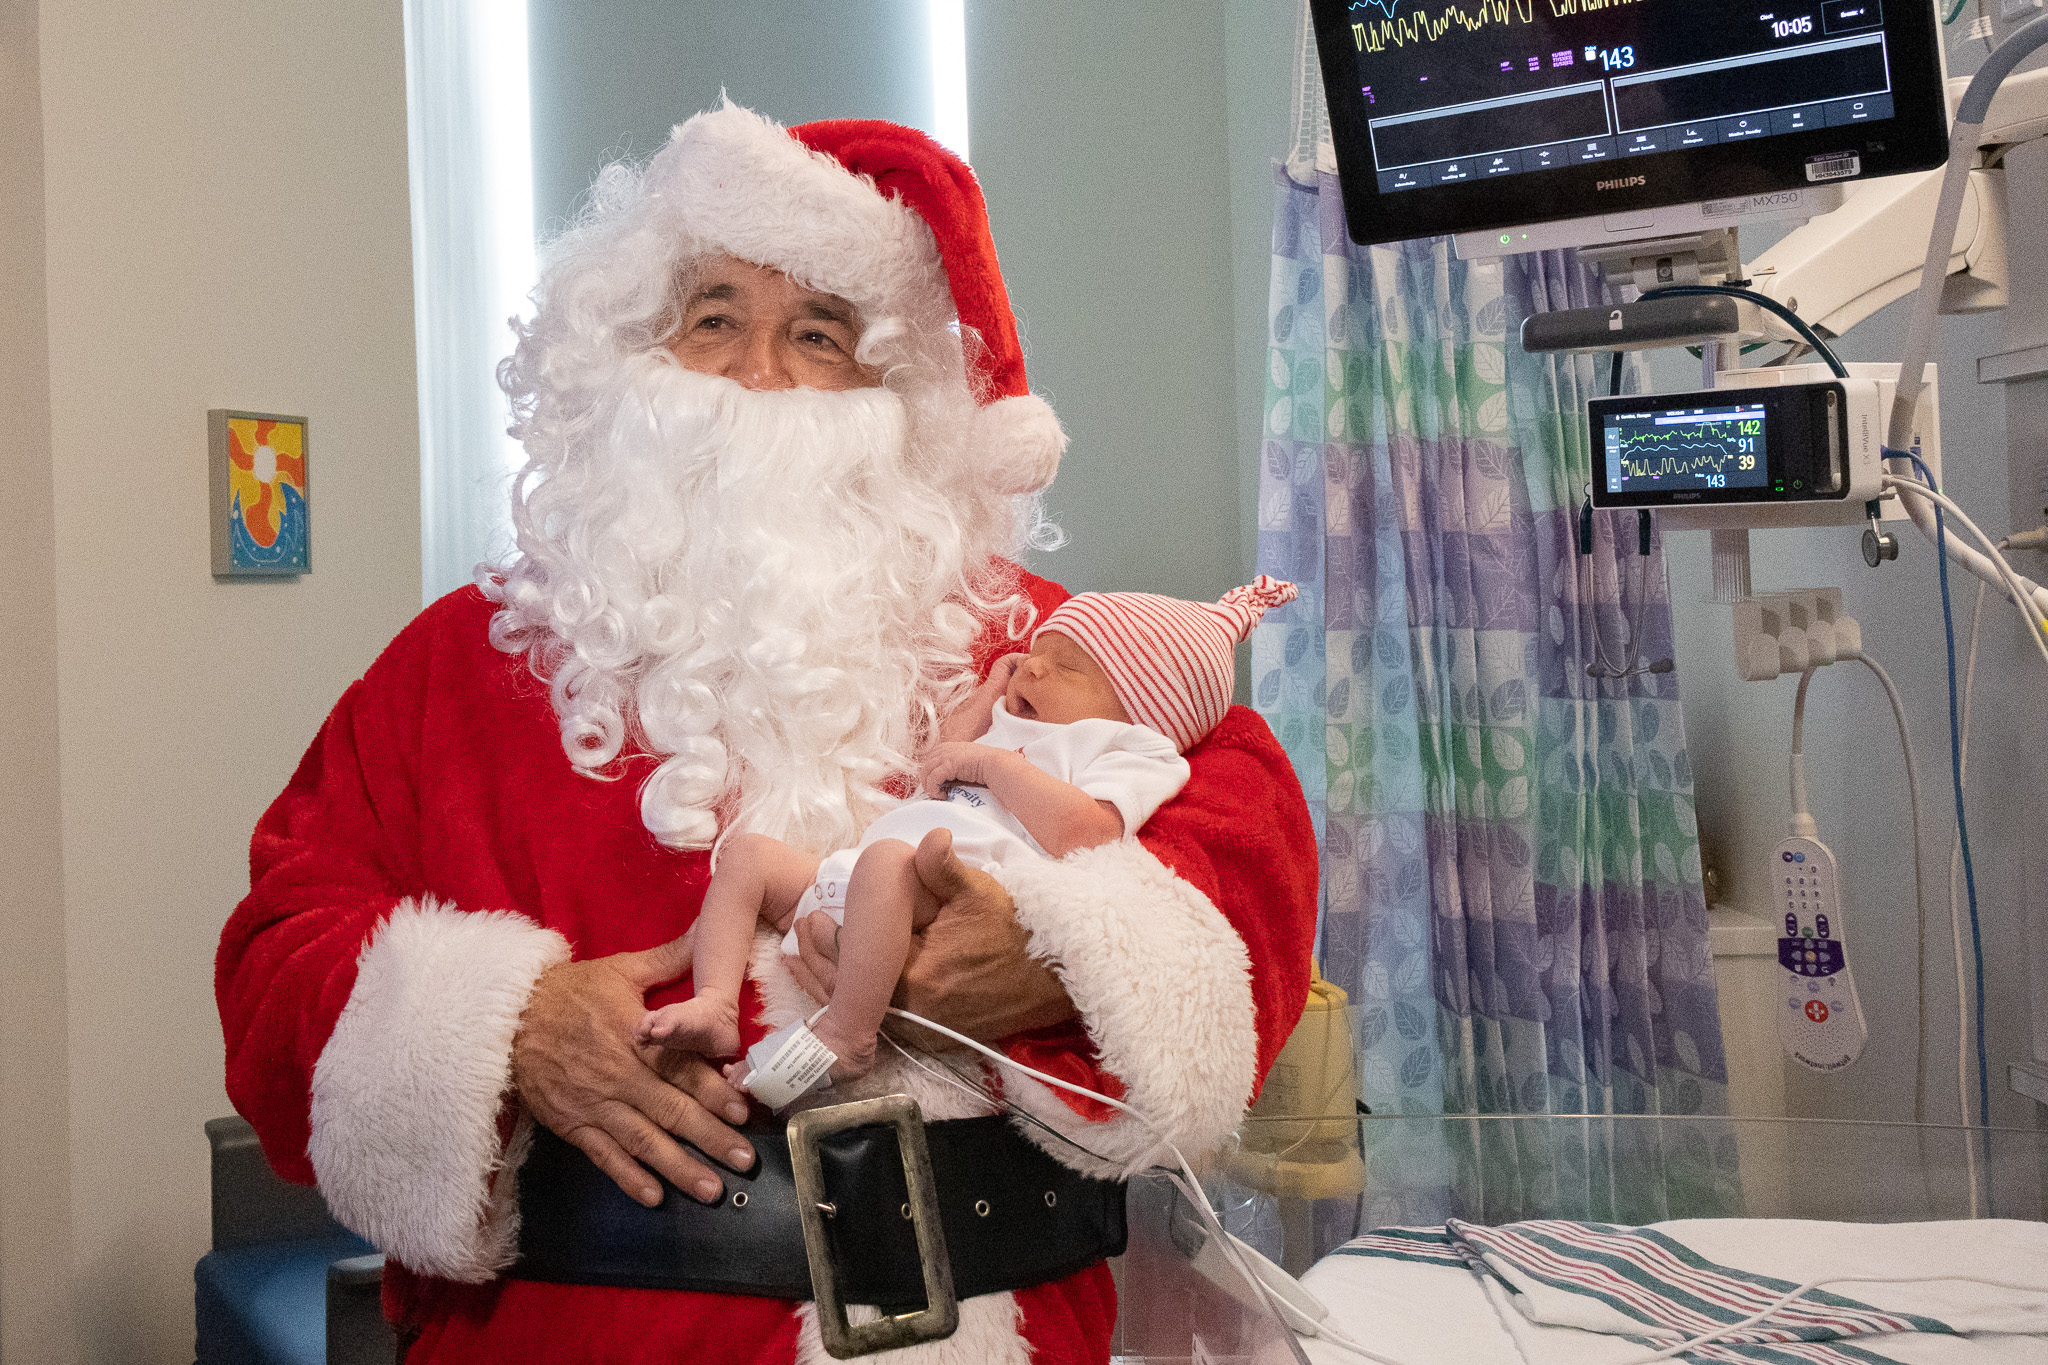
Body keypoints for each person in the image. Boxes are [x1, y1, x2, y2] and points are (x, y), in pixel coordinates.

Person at [215, 102, 1318, 1364]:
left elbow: (1254, 856)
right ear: (629, 354)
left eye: (817, 335)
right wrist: (503, 1029)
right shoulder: (453, 669)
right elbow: (274, 960)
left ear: (900, 396)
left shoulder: (1050, 657)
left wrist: (1068, 952)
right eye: (713, 322)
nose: (756, 376)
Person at [640, 578, 1300, 1102]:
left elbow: (1090, 831)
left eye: (1064, 664)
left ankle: (849, 1031)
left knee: (888, 862)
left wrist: (999, 767)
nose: (1031, 670)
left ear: (1144, 707)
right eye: (1033, 654)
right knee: (752, 855)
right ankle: (716, 1002)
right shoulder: (1013, 716)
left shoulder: (1133, 749)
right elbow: (943, 755)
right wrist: (989, 694)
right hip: (854, 878)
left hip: (938, 884)